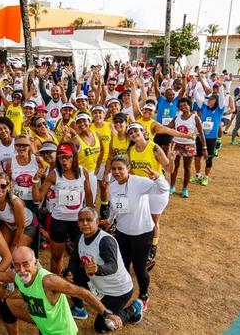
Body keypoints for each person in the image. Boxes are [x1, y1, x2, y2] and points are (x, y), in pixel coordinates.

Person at [0, 246, 122, 335]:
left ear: (35, 262)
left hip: (61, 332)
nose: (22, 270)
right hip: (42, 323)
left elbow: (82, 292)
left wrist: (106, 313)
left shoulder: (49, 281)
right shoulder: (16, 275)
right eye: (17, 265)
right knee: (6, 305)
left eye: (26, 264)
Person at [65, 208, 143, 331]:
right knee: (72, 274)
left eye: (89, 220)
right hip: (98, 284)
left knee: (102, 326)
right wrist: (70, 272)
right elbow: (75, 259)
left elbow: (113, 266)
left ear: (97, 222)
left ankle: (133, 309)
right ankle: (79, 309)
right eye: (81, 220)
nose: (85, 223)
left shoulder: (105, 241)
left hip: (117, 291)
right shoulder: (81, 236)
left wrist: (98, 269)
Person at [109, 155, 168, 310]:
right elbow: (114, 207)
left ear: (128, 168)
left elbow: (163, 189)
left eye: (120, 168)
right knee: (123, 264)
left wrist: (157, 177)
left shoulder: (139, 182)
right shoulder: (113, 185)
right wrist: (109, 220)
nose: (116, 172)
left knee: (139, 268)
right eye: (114, 168)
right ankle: (125, 291)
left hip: (142, 233)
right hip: (122, 233)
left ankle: (143, 295)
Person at [41, 143, 93, 275]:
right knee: (57, 257)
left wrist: (92, 213)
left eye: (67, 157)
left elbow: (88, 193)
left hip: (78, 221)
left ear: (74, 157)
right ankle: (56, 285)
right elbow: (39, 196)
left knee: (82, 255)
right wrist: (36, 181)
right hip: (59, 221)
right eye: (60, 157)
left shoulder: (83, 172)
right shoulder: (54, 174)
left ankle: (78, 283)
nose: (64, 160)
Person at [126, 122, 172, 271]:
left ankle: (152, 250)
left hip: (155, 189)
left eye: (136, 131)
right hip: (140, 190)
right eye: (131, 133)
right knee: (139, 219)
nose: (134, 134)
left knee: (153, 221)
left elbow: (169, 169)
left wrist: (170, 158)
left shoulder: (154, 147)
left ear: (142, 131)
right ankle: (140, 247)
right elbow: (131, 171)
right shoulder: (131, 150)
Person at [168, 97, 206, 198]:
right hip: (176, 144)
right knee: (174, 167)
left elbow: (201, 133)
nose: (183, 107)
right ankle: (172, 186)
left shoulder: (195, 117)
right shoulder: (177, 117)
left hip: (189, 145)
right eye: (180, 106)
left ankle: (185, 189)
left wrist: (204, 148)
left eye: (185, 105)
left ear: (189, 105)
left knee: (187, 168)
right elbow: (168, 127)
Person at [0, 172, 38, 251]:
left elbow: (20, 227)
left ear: (8, 186)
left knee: (16, 252)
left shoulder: (15, 203)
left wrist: (13, 246)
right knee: (1, 248)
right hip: (9, 224)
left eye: (3, 186)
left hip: (27, 225)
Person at [192, 93, 226, 186]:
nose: (208, 100)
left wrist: (221, 87)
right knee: (197, 157)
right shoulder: (204, 108)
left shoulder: (219, 110)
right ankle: (198, 175)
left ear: (216, 102)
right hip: (200, 137)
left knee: (208, 158)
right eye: (208, 99)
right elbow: (197, 97)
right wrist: (195, 86)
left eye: (211, 99)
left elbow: (222, 100)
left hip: (211, 139)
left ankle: (206, 177)